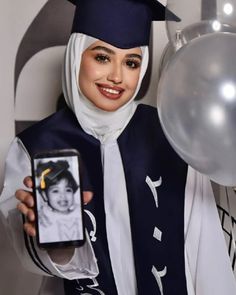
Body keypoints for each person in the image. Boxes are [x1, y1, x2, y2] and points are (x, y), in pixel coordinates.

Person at [0, 0, 236, 294]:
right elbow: (37, 259)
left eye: (131, 63)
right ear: (76, 55)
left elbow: (205, 250)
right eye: (102, 57)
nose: (116, 76)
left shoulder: (171, 134)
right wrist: (61, 246)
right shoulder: (37, 146)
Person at [34, 160, 83, 244]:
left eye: (68, 190)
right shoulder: (44, 217)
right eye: (55, 191)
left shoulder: (79, 211)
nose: (63, 195)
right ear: (44, 196)